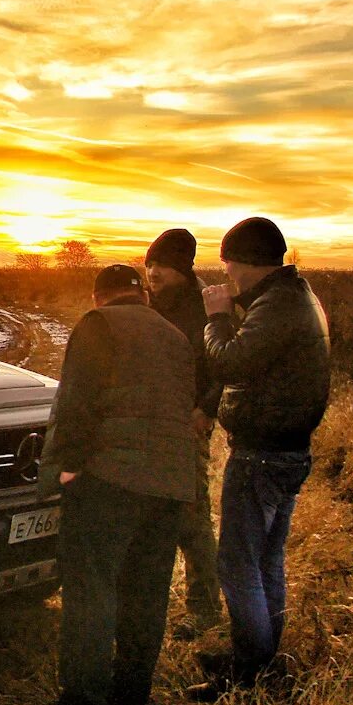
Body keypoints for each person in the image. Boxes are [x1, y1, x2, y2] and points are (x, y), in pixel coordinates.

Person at [28, 264, 198, 705]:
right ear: (141, 294)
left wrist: (67, 466)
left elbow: (79, 400)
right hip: (170, 484)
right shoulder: (176, 335)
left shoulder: (98, 325)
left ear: (99, 295)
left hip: (110, 480)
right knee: (146, 592)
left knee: (91, 591)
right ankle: (130, 700)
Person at [195, 217, 330, 697]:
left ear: (247, 262)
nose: (227, 275)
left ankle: (248, 672)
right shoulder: (297, 296)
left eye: (229, 264)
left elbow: (230, 360)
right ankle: (262, 661)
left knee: (237, 563)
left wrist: (216, 317)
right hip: (287, 450)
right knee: (267, 560)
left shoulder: (277, 305)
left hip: (262, 454)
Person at [143, 228, 223, 638]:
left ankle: (204, 608)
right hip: (145, 425)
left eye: (163, 266)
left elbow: (225, 367)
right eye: (150, 264)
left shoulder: (207, 309)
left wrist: (206, 409)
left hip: (186, 425)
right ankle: (144, 602)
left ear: (183, 270)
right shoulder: (146, 306)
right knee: (146, 516)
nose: (153, 273)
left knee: (191, 517)